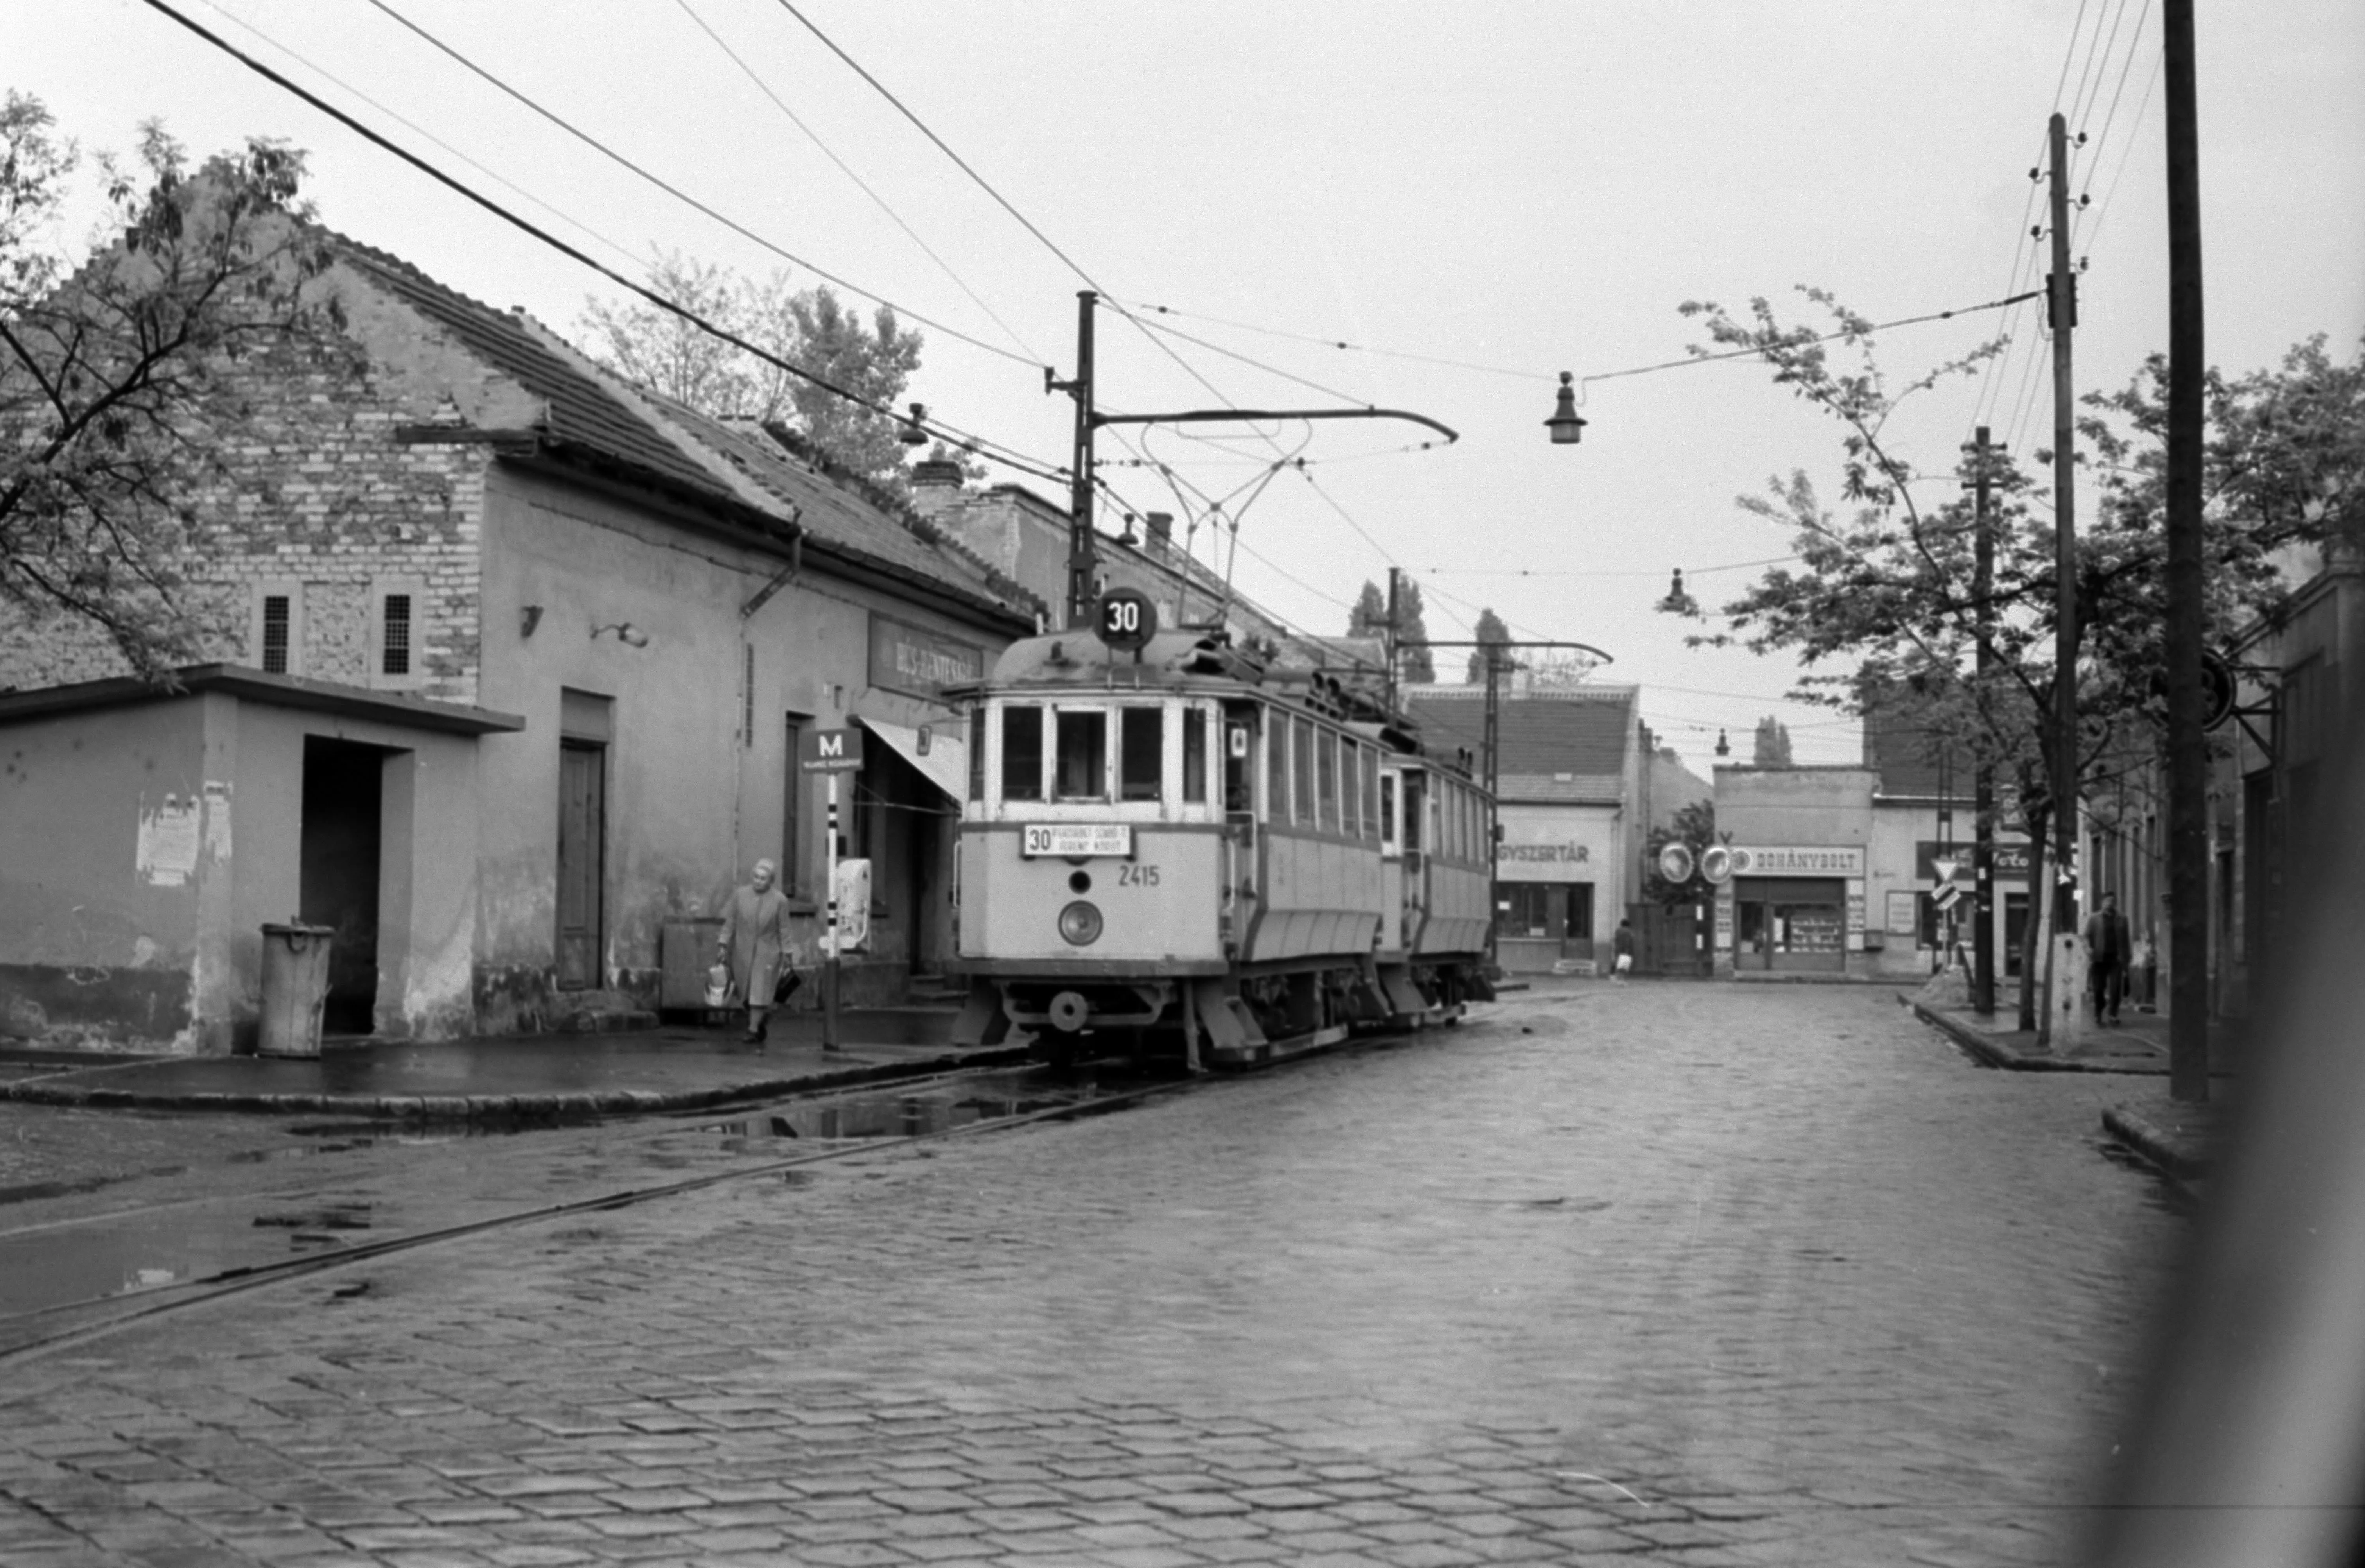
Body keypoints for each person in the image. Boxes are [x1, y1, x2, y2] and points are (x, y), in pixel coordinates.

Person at [718, 858, 790, 1044]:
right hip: (742, 951)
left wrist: (787, 953)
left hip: (768, 953)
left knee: (759, 991)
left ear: (771, 881)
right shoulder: (740, 895)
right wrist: (723, 944)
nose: (758, 881)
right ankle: (760, 1021)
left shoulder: (780, 900)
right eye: (756, 877)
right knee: (744, 992)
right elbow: (731, 922)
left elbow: (784, 929)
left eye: (763, 878)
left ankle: (752, 1030)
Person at [2084, 890, 2130, 1026]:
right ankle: (2099, 1012)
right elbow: (2086, 936)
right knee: (2098, 989)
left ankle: (2113, 1015)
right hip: (2099, 959)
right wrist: (2088, 949)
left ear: (2115, 903)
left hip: (2116, 959)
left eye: (2112, 901)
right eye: (2107, 901)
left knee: (2116, 988)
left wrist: (2127, 961)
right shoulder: (2094, 919)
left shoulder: (2123, 919)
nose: (2109, 904)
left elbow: (2126, 941)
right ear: (2102, 903)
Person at [1611, 918, 1636, 982]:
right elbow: (1630, 941)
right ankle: (1623, 979)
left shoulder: (1618, 931)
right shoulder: (1630, 932)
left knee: (1618, 964)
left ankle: (1618, 978)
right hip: (1626, 950)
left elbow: (1616, 940)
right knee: (1625, 965)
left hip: (1618, 949)